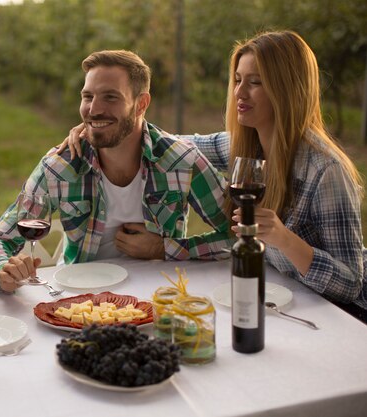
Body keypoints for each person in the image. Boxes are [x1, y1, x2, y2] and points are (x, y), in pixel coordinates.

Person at [63, 31, 367, 323]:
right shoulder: (241, 146)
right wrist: (98, 126)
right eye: (237, 80)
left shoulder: (325, 171)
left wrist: (285, 240)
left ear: (288, 90)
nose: (239, 92)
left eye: (255, 82)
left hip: (340, 316)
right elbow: (165, 146)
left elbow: (351, 284)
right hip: (280, 300)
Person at [0, 50, 231, 293]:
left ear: (141, 103)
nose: (94, 109)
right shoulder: (60, 167)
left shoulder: (181, 161)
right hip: (78, 300)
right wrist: (3, 270)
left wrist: (165, 248)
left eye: (110, 97)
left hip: (161, 294)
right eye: (88, 96)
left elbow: (238, 237)